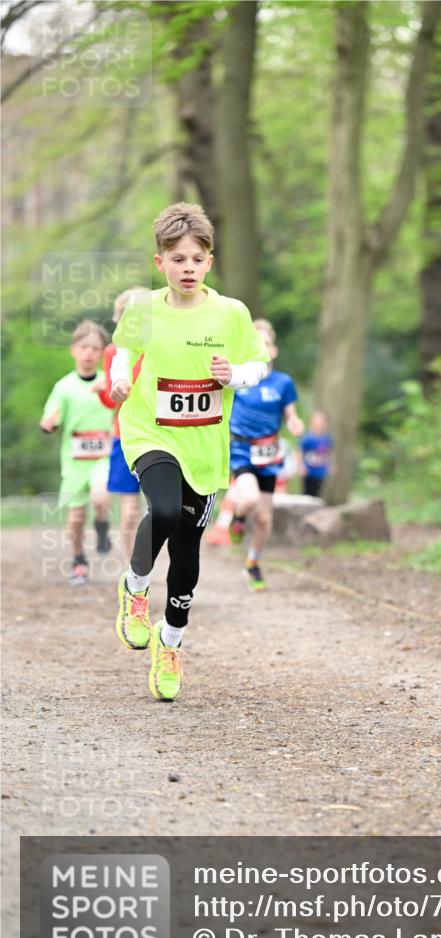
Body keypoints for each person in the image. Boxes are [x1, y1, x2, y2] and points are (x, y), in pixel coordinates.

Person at [110, 202, 270, 702]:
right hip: (151, 434)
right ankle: (136, 588)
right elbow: (125, 356)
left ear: (210, 262)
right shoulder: (143, 310)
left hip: (204, 447)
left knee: (187, 551)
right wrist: (118, 380)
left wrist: (236, 376)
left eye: (196, 260)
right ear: (160, 262)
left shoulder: (231, 313)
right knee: (160, 508)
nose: (187, 269)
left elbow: (257, 364)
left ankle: (171, 639)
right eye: (177, 259)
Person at [223, 318, 304, 591]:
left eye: (266, 343)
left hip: (269, 453)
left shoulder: (283, 383)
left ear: (274, 350)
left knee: (265, 518)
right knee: (249, 498)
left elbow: (291, 415)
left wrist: (294, 423)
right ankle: (238, 517)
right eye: (256, 343)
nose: (262, 347)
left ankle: (253, 563)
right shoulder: (238, 377)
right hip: (241, 450)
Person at [39, 320, 114, 585]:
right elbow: (51, 416)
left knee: (100, 497)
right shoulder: (64, 387)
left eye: (95, 348)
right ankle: (79, 560)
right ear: (73, 350)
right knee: (75, 516)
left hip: (103, 457)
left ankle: (102, 525)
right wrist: (49, 424)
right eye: (84, 347)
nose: (89, 354)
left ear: (102, 352)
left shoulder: (109, 382)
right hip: (73, 461)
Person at [94, 287, 150, 564]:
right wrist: (102, 391)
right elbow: (110, 400)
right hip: (124, 436)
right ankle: (132, 568)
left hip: (160, 435)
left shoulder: (160, 347)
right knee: (129, 511)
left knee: (163, 509)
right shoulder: (113, 352)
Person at [299, 409, 334, 498]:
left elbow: (328, 453)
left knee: (317, 491)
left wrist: (330, 465)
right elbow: (299, 451)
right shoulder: (307, 438)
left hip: (320, 471)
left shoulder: (327, 439)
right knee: (307, 492)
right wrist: (301, 465)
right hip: (308, 470)